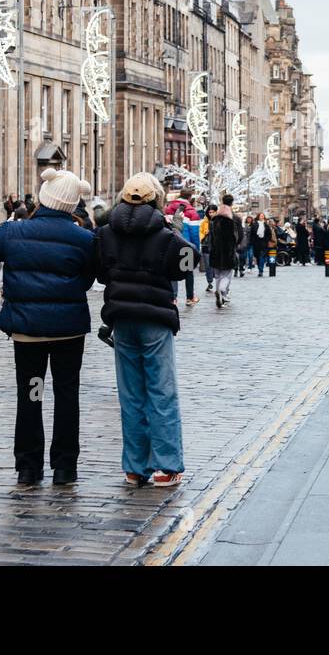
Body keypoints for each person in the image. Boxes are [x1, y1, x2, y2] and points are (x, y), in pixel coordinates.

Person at [0, 167, 97, 486]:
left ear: (45, 197)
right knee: (67, 395)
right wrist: (74, 287)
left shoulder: (13, 232)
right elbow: (92, 275)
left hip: (28, 329)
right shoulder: (83, 237)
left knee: (31, 394)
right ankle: (65, 468)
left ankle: (29, 466)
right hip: (69, 329)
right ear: (71, 204)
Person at [96, 173, 198, 488]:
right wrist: (176, 233)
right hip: (155, 319)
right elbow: (189, 261)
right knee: (161, 392)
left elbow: (100, 273)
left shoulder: (105, 234)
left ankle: (134, 467)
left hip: (122, 318)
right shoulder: (163, 234)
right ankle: (166, 466)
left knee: (131, 394)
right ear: (155, 199)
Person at [208, 194, 240, 308]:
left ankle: (219, 292)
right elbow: (238, 236)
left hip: (215, 250)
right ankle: (222, 291)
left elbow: (210, 235)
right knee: (226, 274)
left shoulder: (214, 218)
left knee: (217, 275)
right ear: (232, 202)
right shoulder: (234, 218)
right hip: (228, 250)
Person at [168, 203, 201, 307]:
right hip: (187, 248)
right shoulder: (191, 213)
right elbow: (194, 233)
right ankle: (190, 297)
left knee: (172, 272)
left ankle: (173, 298)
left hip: (172, 246)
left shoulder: (166, 211)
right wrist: (196, 248)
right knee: (188, 273)